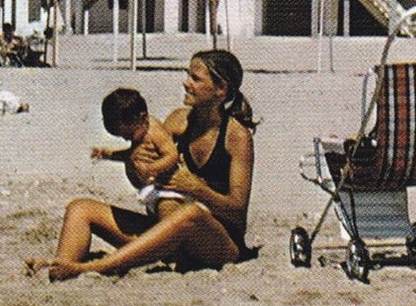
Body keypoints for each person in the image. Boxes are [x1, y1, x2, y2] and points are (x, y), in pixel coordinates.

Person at [27, 50, 257, 281]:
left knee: (191, 213)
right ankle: (60, 268)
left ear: (221, 89)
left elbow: (237, 211)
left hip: (218, 244)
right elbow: (144, 176)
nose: (186, 83)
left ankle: (95, 268)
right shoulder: (178, 120)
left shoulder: (236, 137)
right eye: (187, 75)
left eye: (195, 79)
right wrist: (138, 168)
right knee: (80, 208)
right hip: (172, 234)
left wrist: (197, 188)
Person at [89, 88, 183, 218]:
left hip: (167, 189)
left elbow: (172, 155)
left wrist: (152, 168)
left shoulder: (155, 132)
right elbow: (132, 156)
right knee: (154, 216)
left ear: (142, 117)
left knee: (166, 215)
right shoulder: (139, 131)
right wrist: (108, 155)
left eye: (129, 134)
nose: (127, 139)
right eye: (122, 137)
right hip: (151, 188)